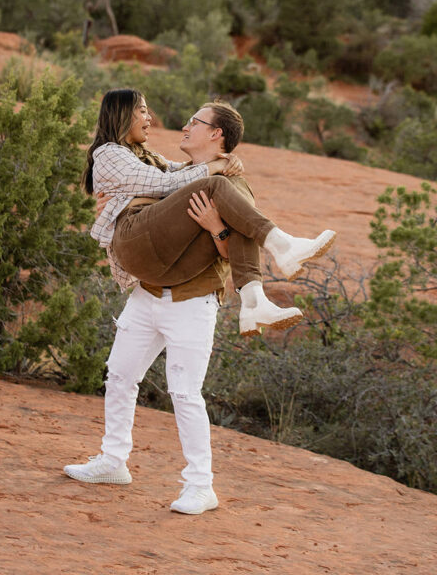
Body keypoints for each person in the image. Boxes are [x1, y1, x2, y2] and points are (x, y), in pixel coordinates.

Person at [63, 90, 336, 515]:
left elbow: (230, 252)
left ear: (217, 134)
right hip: (148, 290)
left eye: (194, 121)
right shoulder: (154, 164)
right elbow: (161, 181)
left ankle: (200, 486)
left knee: (186, 393)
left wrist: (217, 229)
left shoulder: (224, 184)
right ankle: (113, 460)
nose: (178, 124)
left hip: (191, 300)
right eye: (143, 110)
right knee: (119, 376)